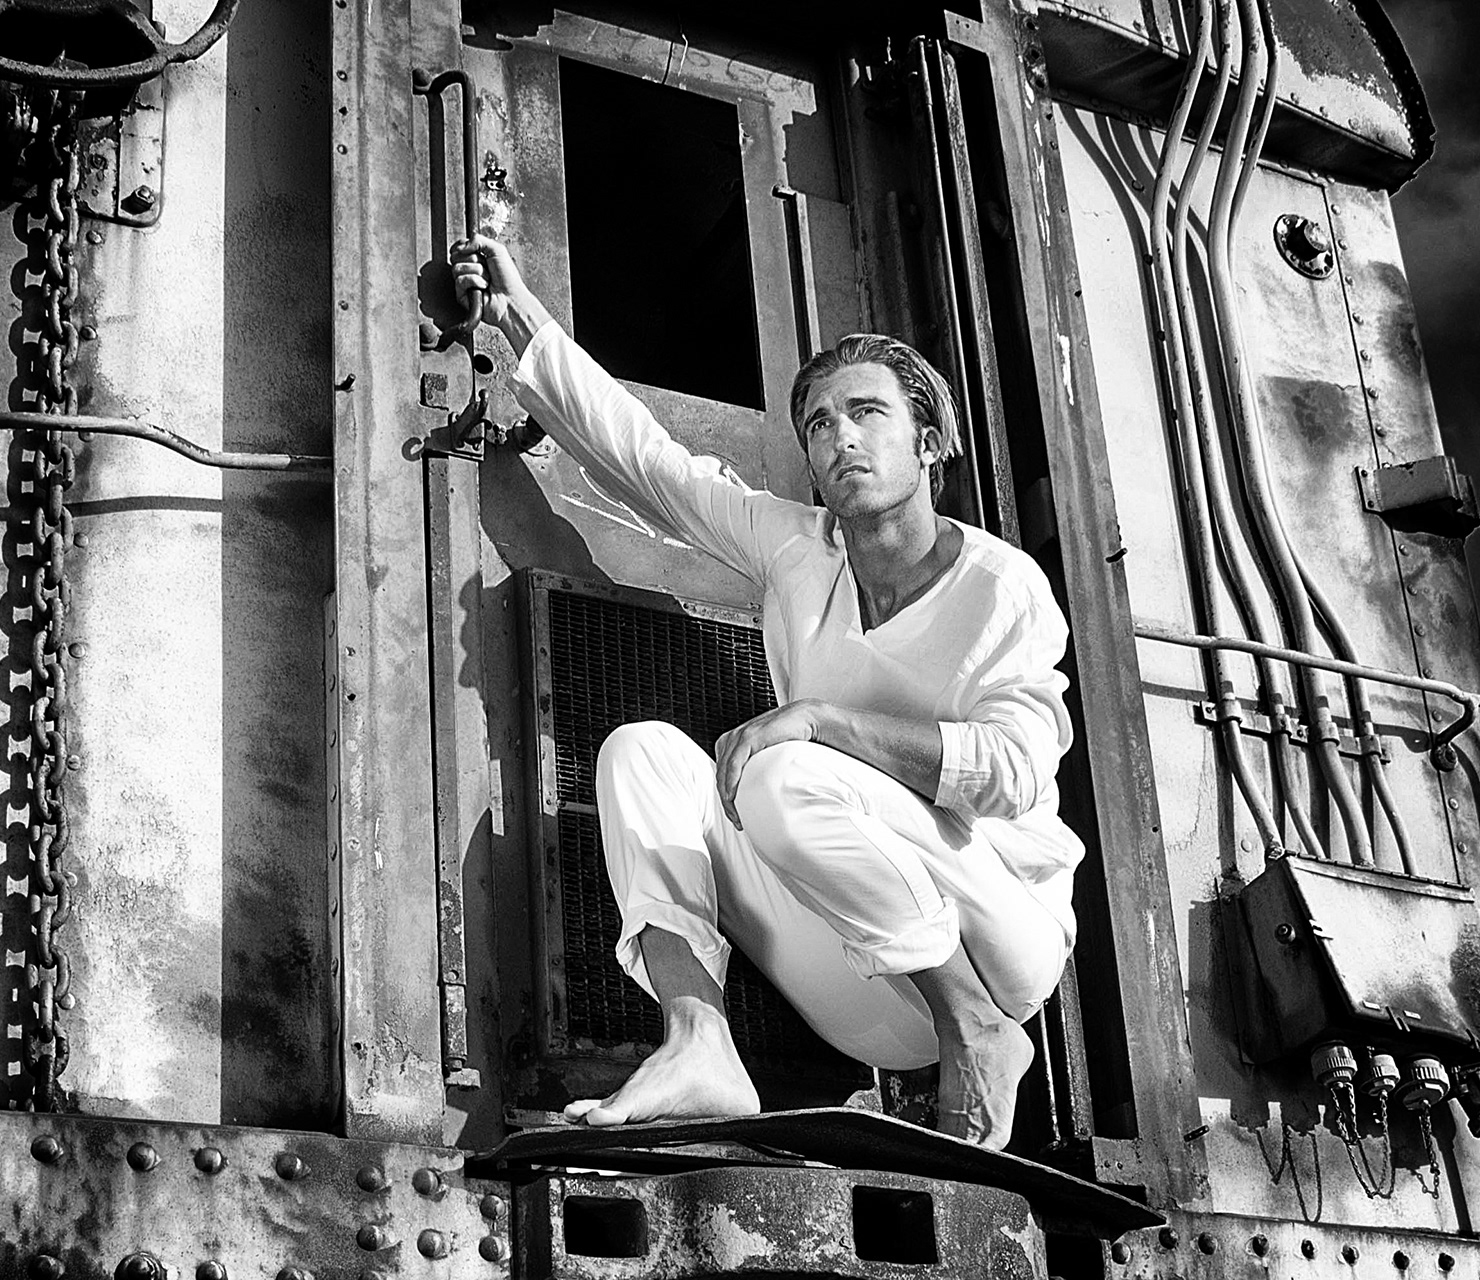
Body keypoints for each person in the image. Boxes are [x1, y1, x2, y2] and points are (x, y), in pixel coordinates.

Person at [452, 235, 1086, 1150]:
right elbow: (652, 465)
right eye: (820, 424)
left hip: (996, 942)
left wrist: (822, 721)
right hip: (858, 991)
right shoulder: (798, 549)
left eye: (867, 412)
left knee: (785, 769)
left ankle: (976, 1032)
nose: (842, 438)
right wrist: (519, 320)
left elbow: (1017, 771)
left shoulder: (1000, 584)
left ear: (929, 441)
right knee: (643, 756)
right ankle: (700, 1042)